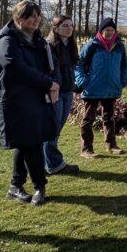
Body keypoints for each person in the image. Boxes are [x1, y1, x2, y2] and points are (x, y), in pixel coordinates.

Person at [0, 1, 59, 206]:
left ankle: (16, 185)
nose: (36, 20)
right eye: (31, 16)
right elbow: (15, 67)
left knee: (27, 142)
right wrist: (47, 83)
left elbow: (49, 66)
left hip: (35, 96)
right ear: (19, 18)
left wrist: (53, 83)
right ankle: (40, 185)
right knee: (31, 143)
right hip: (17, 99)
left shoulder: (38, 41)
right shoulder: (7, 41)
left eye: (38, 16)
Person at [74, 17, 127, 157]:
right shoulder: (92, 45)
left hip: (111, 88)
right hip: (92, 88)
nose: (109, 32)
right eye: (106, 30)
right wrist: (83, 81)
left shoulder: (119, 46)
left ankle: (111, 145)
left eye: (111, 30)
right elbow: (79, 65)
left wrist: (123, 79)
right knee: (88, 119)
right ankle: (86, 149)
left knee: (109, 118)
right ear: (101, 31)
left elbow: (125, 65)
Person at [43, 15, 80, 176]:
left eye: (71, 25)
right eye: (65, 25)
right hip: (55, 91)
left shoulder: (70, 45)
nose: (69, 28)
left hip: (67, 91)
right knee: (52, 128)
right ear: (56, 28)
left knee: (56, 129)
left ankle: (45, 163)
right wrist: (51, 86)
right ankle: (54, 164)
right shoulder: (49, 45)